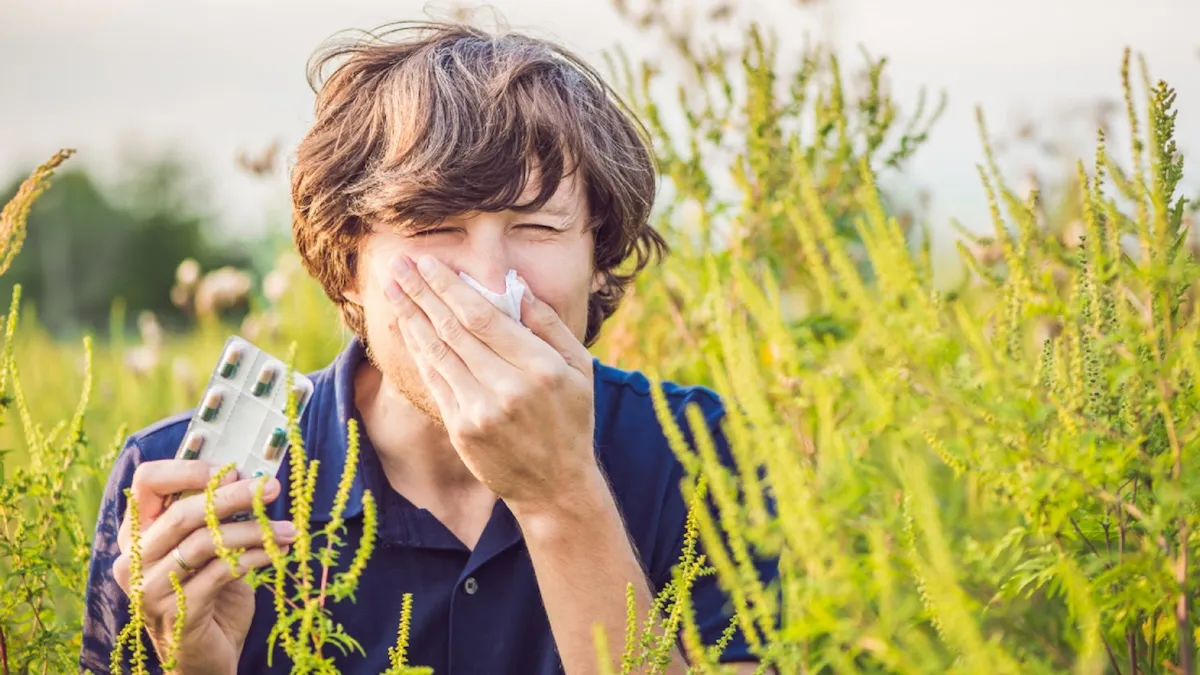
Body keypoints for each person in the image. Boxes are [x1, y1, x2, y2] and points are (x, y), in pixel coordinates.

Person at [80, 20, 778, 675]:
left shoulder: (700, 451)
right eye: (434, 226)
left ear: (598, 256)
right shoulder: (175, 487)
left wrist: (562, 498)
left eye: (535, 226)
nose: (484, 283)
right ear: (349, 261)